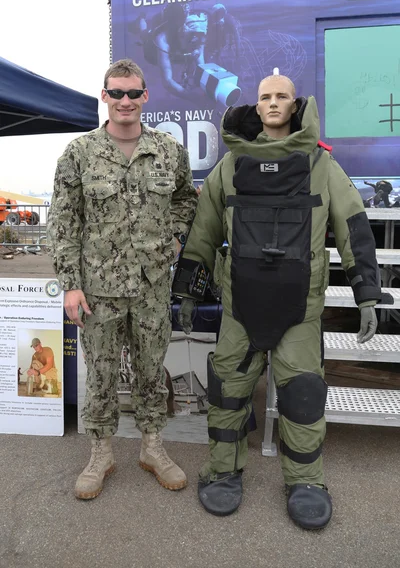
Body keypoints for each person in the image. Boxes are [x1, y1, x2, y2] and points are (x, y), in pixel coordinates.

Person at [173, 75, 388, 529]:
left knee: (303, 398)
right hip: (240, 308)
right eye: (266, 97)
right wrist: (185, 292)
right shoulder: (229, 168)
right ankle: (224, 471)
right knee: (228, 395)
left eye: (282, 97)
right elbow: (203, 234)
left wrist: (366, 293)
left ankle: (306, 481)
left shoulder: (321, 166)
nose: (273, 104)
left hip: (301, 312)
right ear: (256, 105)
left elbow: (354, 226)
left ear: (295, 104)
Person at [48, 58, 198, 500]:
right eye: (116, 93)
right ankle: (101, 454)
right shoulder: (79, 153)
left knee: (152, 370)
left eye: (133, 93)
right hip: (98, 289)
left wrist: (173, 241)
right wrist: (71, 284)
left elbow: (187, 200)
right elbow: (63, 221)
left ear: (145, 96)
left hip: (152, 286)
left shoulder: (169, 150)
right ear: (105, 96)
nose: (125, 101)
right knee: (101, 373)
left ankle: (153, 448)